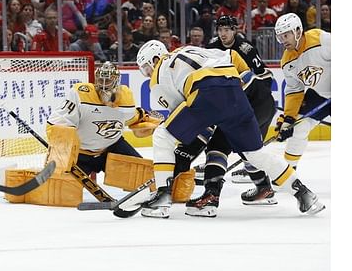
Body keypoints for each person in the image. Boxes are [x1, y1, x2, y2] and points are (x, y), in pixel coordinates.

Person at [123, 40, 325, 219]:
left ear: (155, 58)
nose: (147, 73)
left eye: (146, 68)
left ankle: (161, 198)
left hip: (206, 92)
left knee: (162, 136)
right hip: (236, 91)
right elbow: (230, 56)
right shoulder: (191, 49)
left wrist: (179, 157)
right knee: (254, 154)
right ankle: (304, 193)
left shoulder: (158, 75)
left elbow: (183, 116)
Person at [204, 15, 278, 205]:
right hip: (233, 106)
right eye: (220, 30)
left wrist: (258, 96)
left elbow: (265, 76)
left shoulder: (246, 49)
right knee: (249, 149)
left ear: (234, 30)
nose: (223, 34)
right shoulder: (212, 48)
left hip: (252, 104)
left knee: (247, 147)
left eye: (227, 29)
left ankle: (265, 185)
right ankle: (264, 188)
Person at [47, 61, 158, 175]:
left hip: (113, 147)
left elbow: (131, 117)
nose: (104, 84)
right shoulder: (81, 94)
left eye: (108, 81)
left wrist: (145, 120)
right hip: (81, 154)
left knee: (145, 174)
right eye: (101, 80)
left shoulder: (125, 97)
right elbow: (57, 122)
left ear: (116, 81)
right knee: (64, 187)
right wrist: (61, 149)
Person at [274, 13, 331, 168]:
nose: (283, 40)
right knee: (298, 127)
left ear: (298, 31)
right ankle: (288, 172)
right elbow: (294, 90)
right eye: (280, 37)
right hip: (319, 94)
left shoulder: (320, 39)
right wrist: (288, 119)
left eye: (286, 35)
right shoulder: (287, 61)